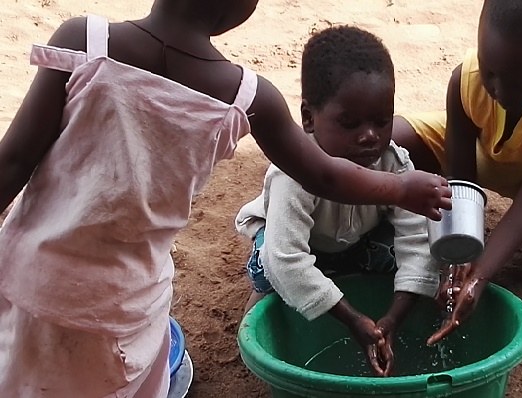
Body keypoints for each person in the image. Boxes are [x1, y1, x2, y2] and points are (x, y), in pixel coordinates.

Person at [0, 1, 455, 397]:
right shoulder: (245, 95)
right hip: (125, 298)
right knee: (114, 379)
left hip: (32, 273)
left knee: (25, 372)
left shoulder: (84, 38)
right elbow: (322, 176)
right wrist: (400, 188)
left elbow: (14, 160)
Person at [236, 25, 442, 377]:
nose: (369, 136)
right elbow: (287, 260)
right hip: (285, 244)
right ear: (308, 118)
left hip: (355, 242)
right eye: (350, 123)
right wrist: (351, 318)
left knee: (410, 257)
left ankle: (349, 283)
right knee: (271, 272)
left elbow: (415, 240)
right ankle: (259, 318)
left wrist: (393, 316)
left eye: (382, 120)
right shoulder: (294, 173)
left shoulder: (393, 162)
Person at [391, 0, 522, 344]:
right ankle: (395, 228)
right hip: (480, 153)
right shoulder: (466, 80)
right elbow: (461, 182)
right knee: (393, 143)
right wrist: (460, 258)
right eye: (490, 72)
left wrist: (480, 275)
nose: (502, 92)